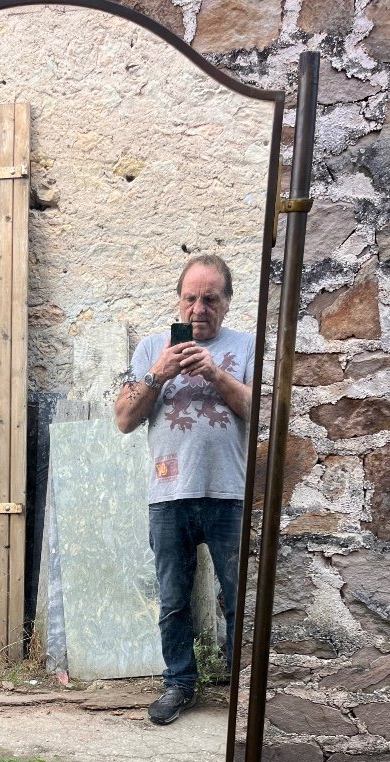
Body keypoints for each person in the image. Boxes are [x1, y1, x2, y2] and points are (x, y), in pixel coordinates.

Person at [114, 254, 254, 725]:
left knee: (238, 598)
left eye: (210, 299)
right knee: (173, 599)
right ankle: (179, 684)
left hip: (229, 492)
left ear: (227, 303)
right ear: (179, 300)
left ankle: (242, 692)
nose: (199, 308)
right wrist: (158, 374)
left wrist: (215, 373)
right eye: (191, 298)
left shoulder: (249, 346)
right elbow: (124, 420)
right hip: (169, 494)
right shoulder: (154, 348)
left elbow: (262, 411)